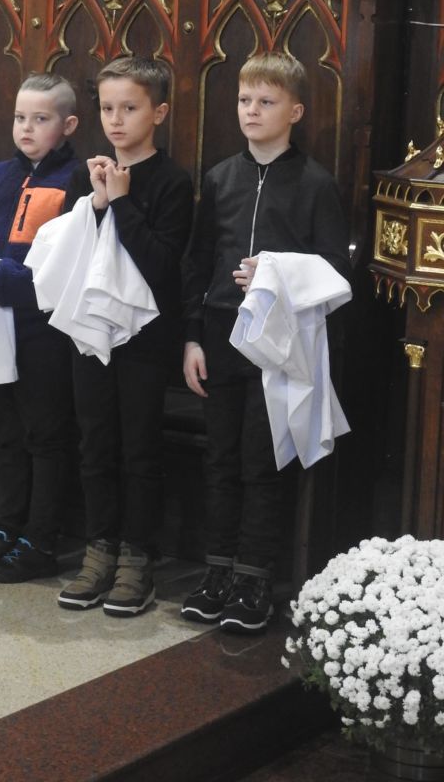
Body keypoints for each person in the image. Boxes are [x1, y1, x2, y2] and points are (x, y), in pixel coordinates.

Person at [181, 51, 351, 634]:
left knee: (262, 460)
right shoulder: (220, 178)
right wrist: (192, 339)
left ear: (295, 112)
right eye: (244, 100)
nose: (252, 111)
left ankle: (254, 578)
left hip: (279, 345)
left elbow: (334, 269)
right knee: (220, 458)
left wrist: (275, 272)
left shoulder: (315, 184)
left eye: (266, 101)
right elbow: (198, 262)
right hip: (221, 335)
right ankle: (217, 571)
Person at [57, 57, 193, 615]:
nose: (115, 120)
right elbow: (69, 255)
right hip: (91, 333)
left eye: (129, 108)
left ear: (158, 113)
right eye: (107, 108)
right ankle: (99, 551)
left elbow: (160, 264)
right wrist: (95, 202)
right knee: (94, 444)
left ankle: (138, 559)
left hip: (146, 339)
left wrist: (121, 200)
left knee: (138, 448)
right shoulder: (84, 176)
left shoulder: (172, 181)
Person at [0, 72, 80, 584]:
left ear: (68, 125)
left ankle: (40, 538)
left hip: (43, 329)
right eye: (20, 117)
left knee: (44, 434)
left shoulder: (75, 180)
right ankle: (3, 527)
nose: (26, 128)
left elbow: (70, 261)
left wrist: (7, 285)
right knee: (3, 432)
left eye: (40, 119)